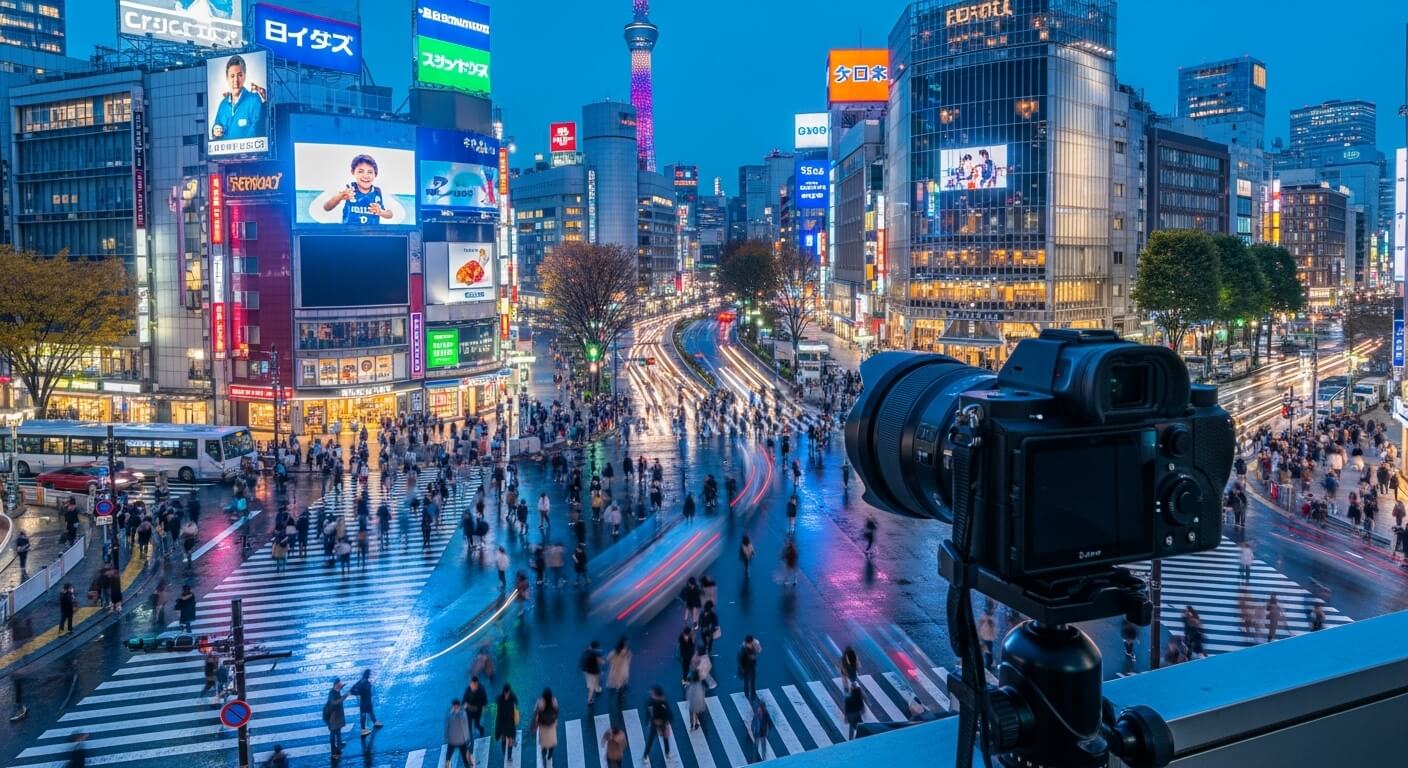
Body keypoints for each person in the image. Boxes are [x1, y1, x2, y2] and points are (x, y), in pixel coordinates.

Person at [322, 154, 395, 225]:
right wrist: (339, 197)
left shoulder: (378, 191)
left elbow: (390, 214)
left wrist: (380, 212)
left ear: (375, 174)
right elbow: (326, 208)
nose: (366, 176)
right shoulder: (348, 188)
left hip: (371, 234)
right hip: (350, 234)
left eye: (370, 172)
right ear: (353, 172)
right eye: (360, 171)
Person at [210, 54, 267, 141]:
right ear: (227, 78)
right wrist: (215, 130)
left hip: (248, 154)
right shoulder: (223, 104)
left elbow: (256, 130)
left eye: (239, 75)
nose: (236, 80)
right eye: (232, 76)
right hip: (225, 154)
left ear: (244, 76)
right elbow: (217, 127)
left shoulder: (254, 100)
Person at [642, 686, 673, 766]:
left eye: (653, 694)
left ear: (657, 695)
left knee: (665, 738)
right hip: (655, 723)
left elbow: (668, 713)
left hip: (662, 723)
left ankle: (667, 752)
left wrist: (667, 722)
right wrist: (648, 720)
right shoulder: (652, 702)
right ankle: (645, 755)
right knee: (651, 739)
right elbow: (649, 710)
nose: (651, 695)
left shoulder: (663, 703)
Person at [349, 669, 383, 736]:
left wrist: (356, 693)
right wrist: (370, 684)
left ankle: (374, 722)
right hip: (365, 701)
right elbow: (364, 689)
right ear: (368, 675)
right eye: (370, 674)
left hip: (365, 701)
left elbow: (353, 689)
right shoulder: (365, 683)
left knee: (370, 712)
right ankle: (363, 730)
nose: (371, 675)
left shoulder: (362, 680)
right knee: (364, 715)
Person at [531, 688, 559, 766]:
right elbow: (557, 714)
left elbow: (536, 716)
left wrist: (534, 726)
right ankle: (549, 756)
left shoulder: (540, 704)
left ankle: (544, 757)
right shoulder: (554, 702)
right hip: (551, 727)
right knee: (551, 743)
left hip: (543, 727)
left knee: (543, 745)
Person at [444, 699, 473, 768]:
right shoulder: (455, 714)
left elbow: (447, 726)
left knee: (451, 756)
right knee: (451, 757)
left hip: (457, 740)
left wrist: (446, 737)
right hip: (457, 740)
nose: (455, 708)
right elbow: (465, 728)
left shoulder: (457, 714)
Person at [322, 678, 348, 756]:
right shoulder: (332, 694)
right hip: (333, 718)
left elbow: (339, 689)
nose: (340, 687)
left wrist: (343, 686)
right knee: (333, 733)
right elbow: (335, 702)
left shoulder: (336, 690)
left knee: (338, 731)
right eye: (339, 685)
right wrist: (344, 696)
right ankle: (334, 751)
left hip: (337, 717)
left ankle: (339, 745)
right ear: (336, 685)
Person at [494, 684, 519, 764]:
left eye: (508, 693)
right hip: (503, 722)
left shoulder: (512, 696)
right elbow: (498, 711)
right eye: (506, 693)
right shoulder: (500, 699)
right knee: (503, 739)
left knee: (511, 740)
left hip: (510, 721)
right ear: (504, 692)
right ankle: (505, 753)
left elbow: (516, 702)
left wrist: (515, 707)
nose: (507, 694)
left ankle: (509, 756)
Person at [606, 638, 632, 705]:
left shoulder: (614, 652)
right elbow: (629, 657)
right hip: (623, 668)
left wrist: (612, 662)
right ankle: (619, 689)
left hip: (615, 668)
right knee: (622, 680)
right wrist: (627, 663)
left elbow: (608, 658)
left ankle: (616, 688)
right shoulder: (626, 651)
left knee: (615, 680)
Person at [737, 634, 761, 700]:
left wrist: (756, 649)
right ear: (749, 642)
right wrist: (742, 668)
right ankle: (747, 694)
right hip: (746, 668)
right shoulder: (743, 650)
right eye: (751, 642)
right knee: (747, 681)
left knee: (752, 681)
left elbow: (758, 651)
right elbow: (740, 659)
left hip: (752, 666)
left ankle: (752, 693)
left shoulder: (753, 646)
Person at [580, 641, 604, 705]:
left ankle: (597, 689)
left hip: (585, 670)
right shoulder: (596, 653)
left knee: (592, 681)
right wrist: (603, 661)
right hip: (593, 671)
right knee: (592, 685)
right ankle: (589, 699)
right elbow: (600, 662)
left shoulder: (587, 651)